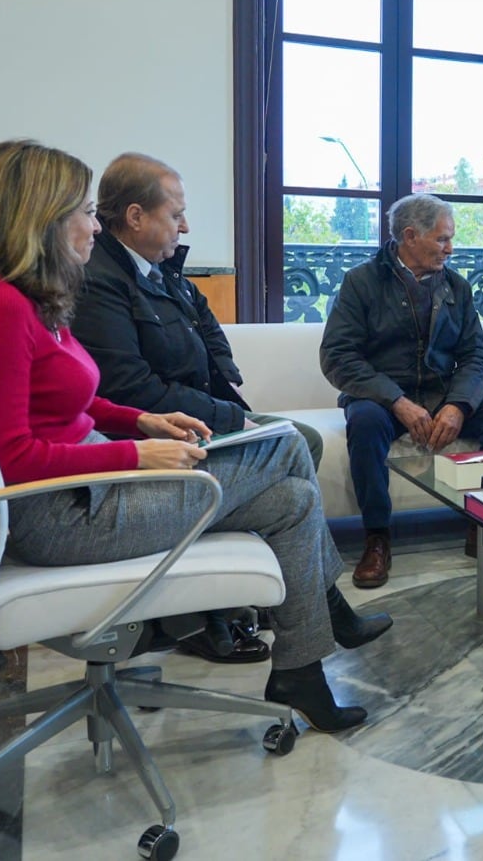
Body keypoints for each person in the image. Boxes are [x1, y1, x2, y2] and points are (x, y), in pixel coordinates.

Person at [0, 139, 379, 733]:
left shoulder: (21, 301)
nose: (94, 223)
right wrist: (136, 453)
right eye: (84, 211)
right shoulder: (1, 308)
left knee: (291, 501)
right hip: (66, 517)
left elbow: (69, 403)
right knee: (289, 443)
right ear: (38, 219)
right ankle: (324, 617)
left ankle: (301, 669)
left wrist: (137, 419)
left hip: (85, 492)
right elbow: (14, 459)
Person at [73, 152, 368, 664]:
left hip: (194, 417)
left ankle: (269, 598)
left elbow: (208, 332)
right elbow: (130, 387)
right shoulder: (103, 281)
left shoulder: (159, 271)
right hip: (159, 436)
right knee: (295, 443)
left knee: (296, 450)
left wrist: (223, 395)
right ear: (137, 215)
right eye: (175, 214)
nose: (184, 227)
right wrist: (230, 416)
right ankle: (233, 610)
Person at [321, 193, 483, 587]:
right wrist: (396, 402)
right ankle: (377, 538)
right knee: (363, 423)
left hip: (442, 394)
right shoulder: (361, 282)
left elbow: (476, 357)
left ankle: (482, 527)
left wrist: (458, 406)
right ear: (410, 236)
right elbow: (338, 356)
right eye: (443, 239)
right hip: (381, 398)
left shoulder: (457, 288)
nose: (451, 248)